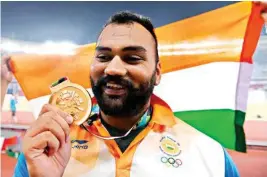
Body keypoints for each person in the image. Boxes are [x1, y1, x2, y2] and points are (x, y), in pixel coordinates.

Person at [0, 3, 264, 177]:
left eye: (133, 58)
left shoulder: (209, 154)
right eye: (103, 57)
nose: (113, 68)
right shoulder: (47, 148)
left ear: (157, 72)